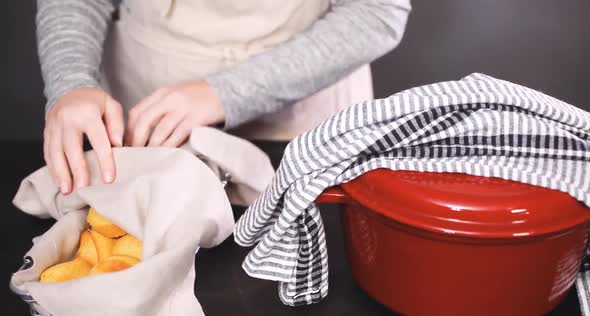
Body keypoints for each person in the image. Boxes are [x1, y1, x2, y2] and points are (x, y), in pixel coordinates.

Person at [36, 0, 411, 194]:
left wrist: (225, 94)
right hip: (144, 126)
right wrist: (71, 83)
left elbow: (376, 12)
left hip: (302, 142)